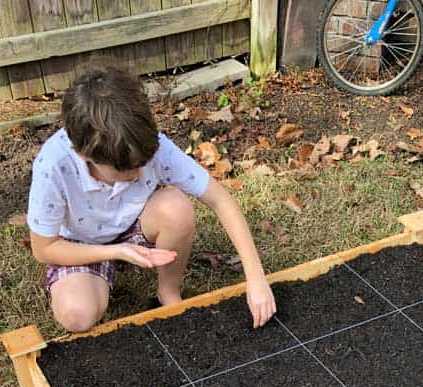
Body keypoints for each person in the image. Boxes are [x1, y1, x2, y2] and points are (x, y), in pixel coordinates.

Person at [27, 67, 276, 332]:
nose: (137, 174)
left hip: (134, 223)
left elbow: (220, 200)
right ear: (85, 156)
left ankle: (167, 293)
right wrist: (116, 252)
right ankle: (96, 273)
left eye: (142, 164)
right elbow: (44, 248)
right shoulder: (54, 165)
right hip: (80, 244)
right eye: (125, 171)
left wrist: (256, 277)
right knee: (77, 315)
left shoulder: (151, 146)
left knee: (176, 209)